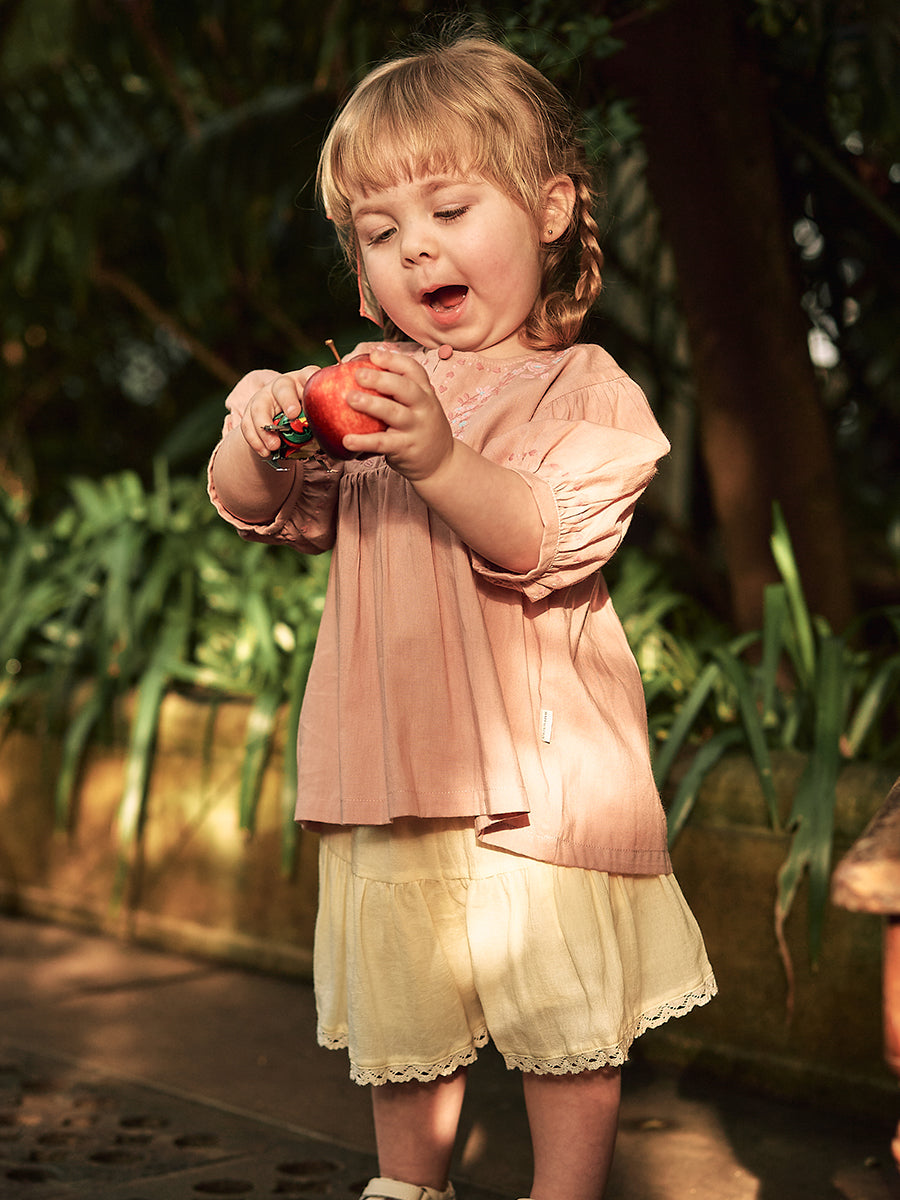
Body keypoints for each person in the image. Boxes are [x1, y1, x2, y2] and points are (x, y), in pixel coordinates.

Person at [209, 29, 715, 1200]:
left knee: (562, 1015)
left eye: (448, 210)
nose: (416, 247)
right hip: (394, 764)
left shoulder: (587, 391)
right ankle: (410, 1185)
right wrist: (259, 434)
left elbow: (537, 535)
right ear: (361, 273)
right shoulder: (371, 389)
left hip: (542, 782)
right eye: (380, 233)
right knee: (410, 1013)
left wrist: (436, 455)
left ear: (550, 211)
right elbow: (264, 510)